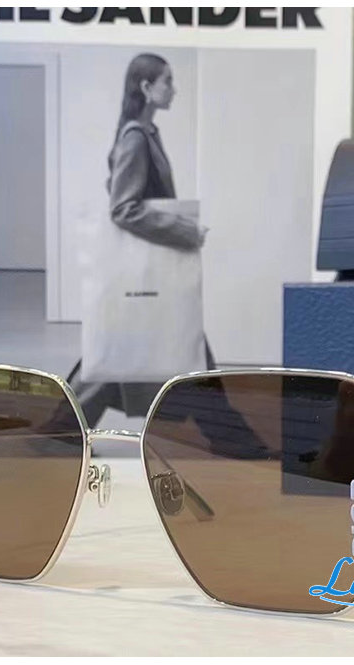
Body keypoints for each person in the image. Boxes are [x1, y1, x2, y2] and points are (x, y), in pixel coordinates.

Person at [68, 53, 211, 427]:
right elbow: (123, 208)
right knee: (120, 357)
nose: (174, 89)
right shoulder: (136, 137)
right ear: (147, 88)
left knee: (113, 356)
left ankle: (58, 432)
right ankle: (229, 438)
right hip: (148, 270)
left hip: (147, 272)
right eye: (168, 81)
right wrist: (185, 230)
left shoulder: (146, 134)